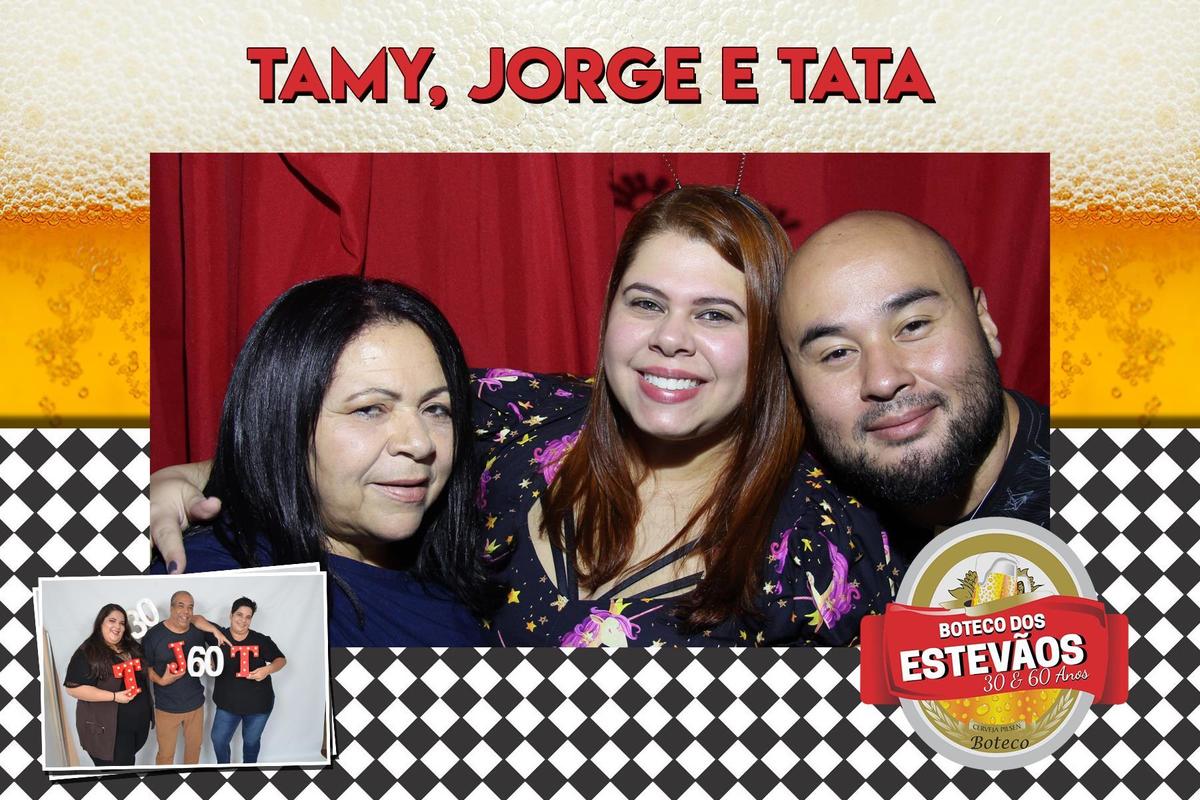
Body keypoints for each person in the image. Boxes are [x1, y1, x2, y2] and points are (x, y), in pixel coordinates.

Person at [151, 188, 904, 646]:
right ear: (609, 315)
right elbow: (339, 418)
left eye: (715, 314)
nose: (671, 338)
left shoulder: (835, 542)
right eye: (646, 303)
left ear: (769, 340)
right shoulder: (516, 416)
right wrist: (192, 479)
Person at [149, 277, 496, 646]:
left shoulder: (454, 569)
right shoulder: (217, 593)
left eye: (436, 409)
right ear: (283, 423)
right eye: (369, 409)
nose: (420, 442)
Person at [778, 209, 1049, 553]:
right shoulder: (797, 535)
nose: (883, 380)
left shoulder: (1107, 497)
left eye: (913, 326)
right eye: (837, 353)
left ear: (985, 323)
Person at [141, 590, 229, 765]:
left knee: (194, 750)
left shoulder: (198, 629)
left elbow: (198, 619)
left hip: (195, 705)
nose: (186, 611)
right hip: (166, 707)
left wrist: (210, 654)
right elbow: (146, 667)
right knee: (166, 755)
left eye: (190, 607)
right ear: (171, 607)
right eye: (181, 606)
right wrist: (161, 680)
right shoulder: (154, 635)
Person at [63, 605, 153, 767]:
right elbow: (73, 689)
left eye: (122, 623)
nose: (117, 626)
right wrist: (114, 697)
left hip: (135, 728)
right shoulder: (88, 652)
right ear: (100, 623)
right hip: (108, 733)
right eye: (112, 620)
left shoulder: (131, 647)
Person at [206, 597, 286, 764]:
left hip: (258, 705)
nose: (243, 620)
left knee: (250, 743)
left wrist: (267, 669)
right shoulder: (218, 636)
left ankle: (248, 772)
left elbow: (281, 660)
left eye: (248, 617)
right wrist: (214, 631)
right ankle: (225, 769)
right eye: (239, 614)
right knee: (218, 740)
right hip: (227, 704)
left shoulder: (261, 640)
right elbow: (195, 619)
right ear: (231, 615)